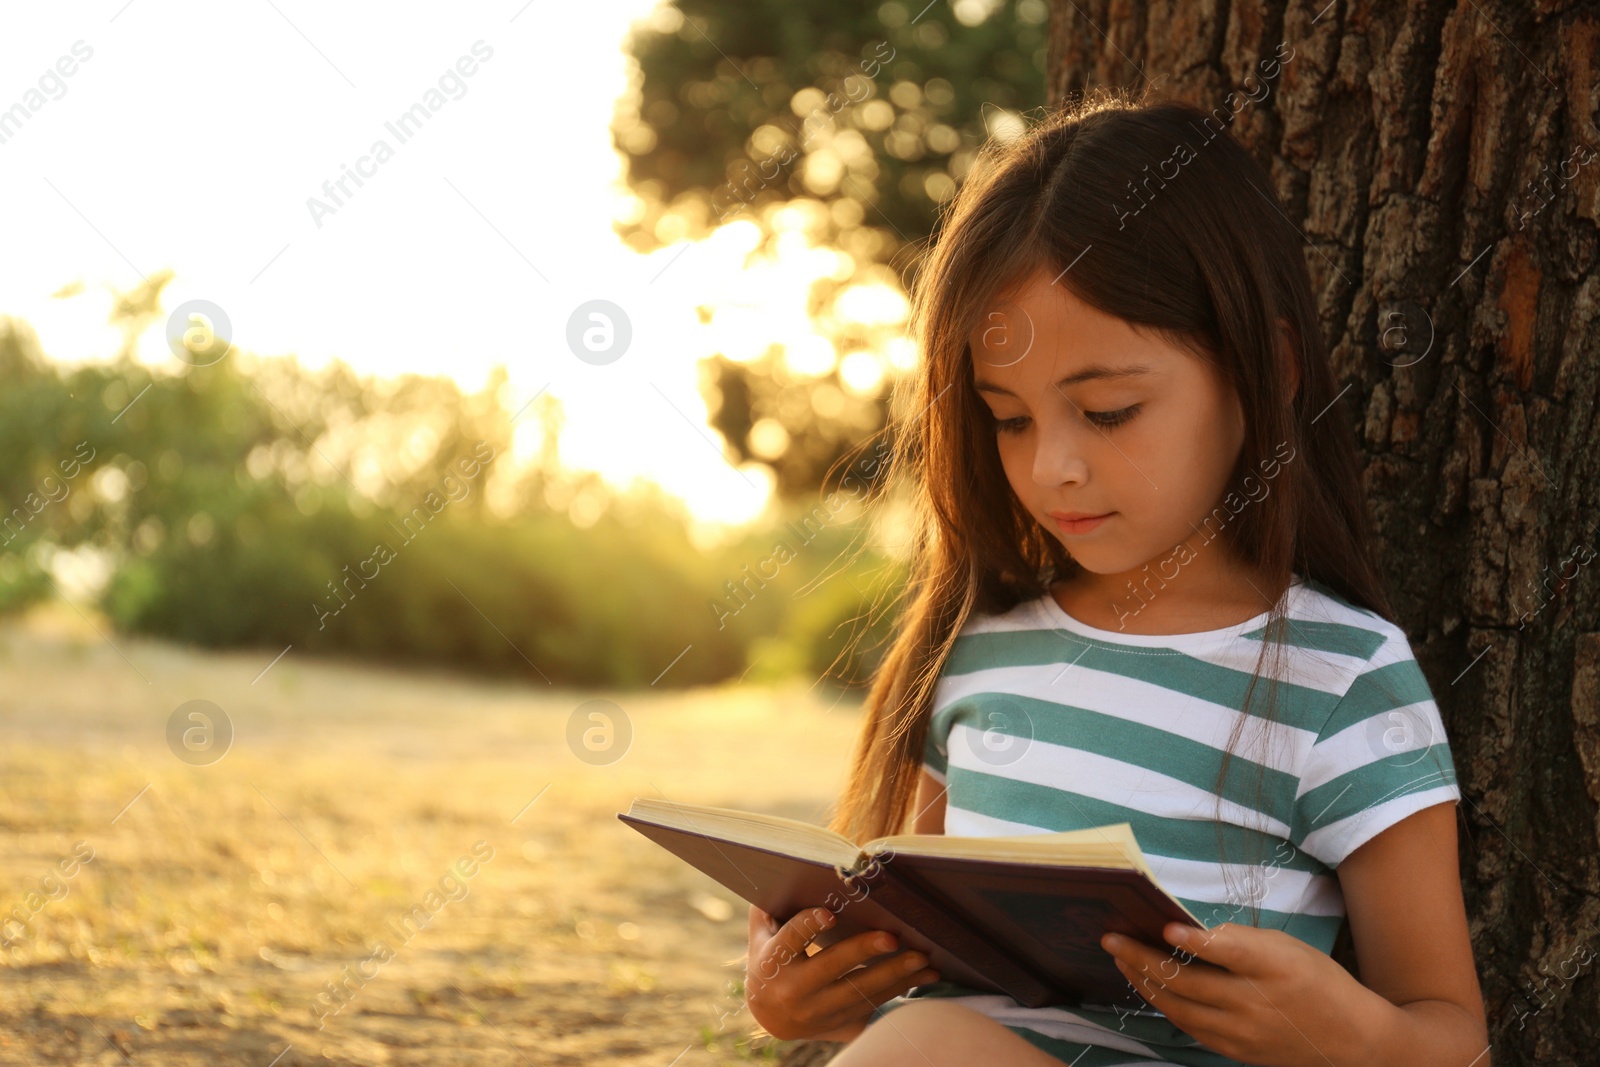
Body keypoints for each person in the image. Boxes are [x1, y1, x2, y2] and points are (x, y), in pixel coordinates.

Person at [743, 90, 1490, 1067]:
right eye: (1009, 417)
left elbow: (1450, 1032)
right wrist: (809, 1002)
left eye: (1106, 410)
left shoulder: (1339, 680)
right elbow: (922, 974)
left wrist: (1347, 1034)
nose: (1052, 464)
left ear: (1266, 367)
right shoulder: (981, 656)